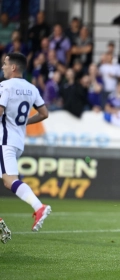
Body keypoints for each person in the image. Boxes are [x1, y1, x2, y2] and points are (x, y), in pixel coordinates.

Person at [0, 52, 51, 232]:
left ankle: (38, 207)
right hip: (18, 141)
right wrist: (23, 122)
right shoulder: (32, 88)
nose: (3, 67)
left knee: (9, 180)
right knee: (8, 179)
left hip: (4, 140)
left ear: (13, 67)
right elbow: (44, 113)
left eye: (5, 64)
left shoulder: (4, 86)